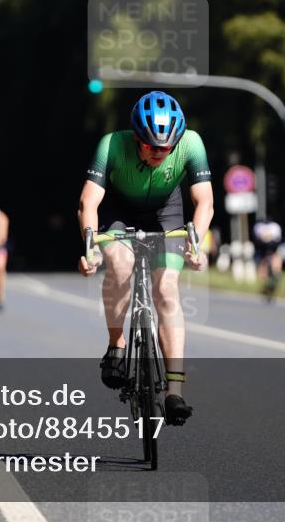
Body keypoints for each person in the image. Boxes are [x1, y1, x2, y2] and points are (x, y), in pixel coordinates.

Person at [77, 91, 214, 426]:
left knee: (166, 290)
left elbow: (205, 202)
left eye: (166, 148)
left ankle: (174, 392)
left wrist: (195, 243)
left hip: (167, 212)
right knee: (120, 265)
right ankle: (117, 344)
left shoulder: (192, 144)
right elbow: (88, 203)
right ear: (136, 137)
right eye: (151, 146)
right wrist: (90, 248)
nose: (158, 153)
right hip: (120, 212)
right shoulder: (112, 145)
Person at [252, 217, 283, 296]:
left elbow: (277, 242)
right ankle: (266, 286)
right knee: (262, 268)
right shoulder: (259, 227)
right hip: (262, 252)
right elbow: (258, 241)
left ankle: (274, 279)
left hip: (273, 250)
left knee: (276, 263)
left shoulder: (275, 227)